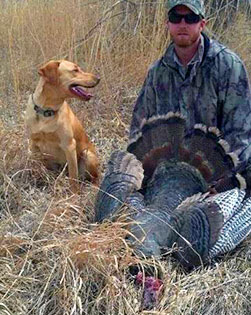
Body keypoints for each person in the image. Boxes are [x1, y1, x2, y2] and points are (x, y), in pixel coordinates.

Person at [129, 0, 251, 172]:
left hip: (218, 174)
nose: (182, 24)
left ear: (202, 24)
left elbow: (240, 134)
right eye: (176, 17)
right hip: (168, 173)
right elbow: (138, 129)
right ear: (167, 24)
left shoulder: (228, 65)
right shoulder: (157, 72)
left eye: (190, 18)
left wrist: (225, 180)